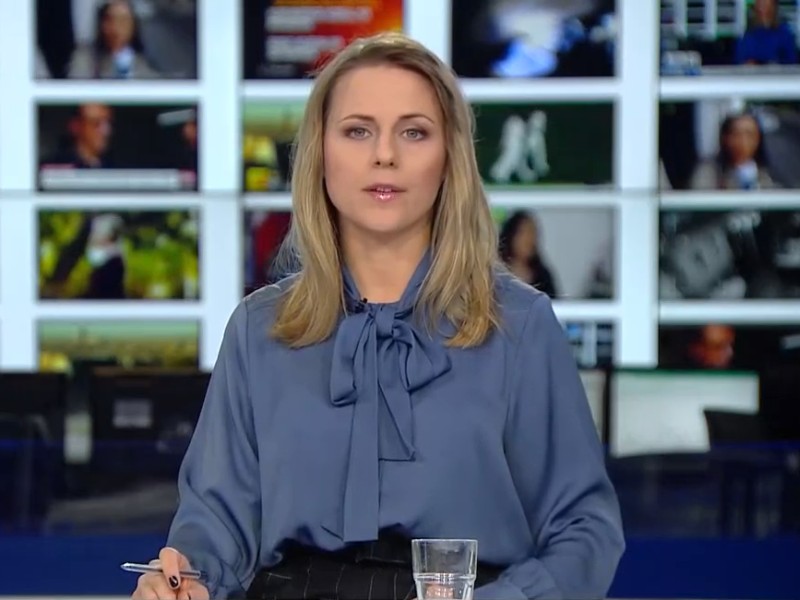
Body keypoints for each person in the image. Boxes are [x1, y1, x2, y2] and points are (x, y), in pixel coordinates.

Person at [131, 31, 624, 600]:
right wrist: (184, 583)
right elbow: (213, 529)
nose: (384, 155)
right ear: (321, 154)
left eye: (413, 132)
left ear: (449, 158)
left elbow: (584, 533)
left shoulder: (520, 325)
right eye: (358, 131)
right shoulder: (258, 329)